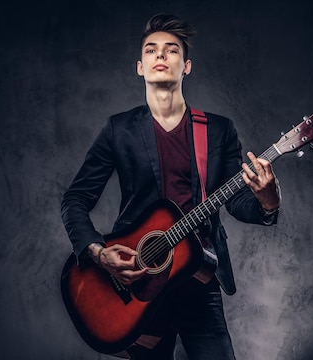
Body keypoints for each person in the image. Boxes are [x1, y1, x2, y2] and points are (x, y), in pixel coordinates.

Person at [61, 13, 281, 360]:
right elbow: (75, 200)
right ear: (140, 66)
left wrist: (268, 202)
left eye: (171, 50)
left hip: (198, 277)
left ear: (187, 66)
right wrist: (99, 253)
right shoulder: (118, 129)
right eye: (151, 50)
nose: (160, 56)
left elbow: (237, 202)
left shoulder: (219, 130)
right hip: (138, 282)